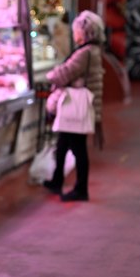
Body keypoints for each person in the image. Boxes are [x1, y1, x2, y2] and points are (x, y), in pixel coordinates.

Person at [43, 10, 105, 202]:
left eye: (76, 30)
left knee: (77, 148)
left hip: (76, 107)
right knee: (62, 144)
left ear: (85, 32)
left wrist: (50, 75)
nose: (74, 33)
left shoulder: (84, 52)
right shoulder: (93, 50)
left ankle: (81, 189)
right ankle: (57, 180)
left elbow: (65, 73)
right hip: (82, 106)